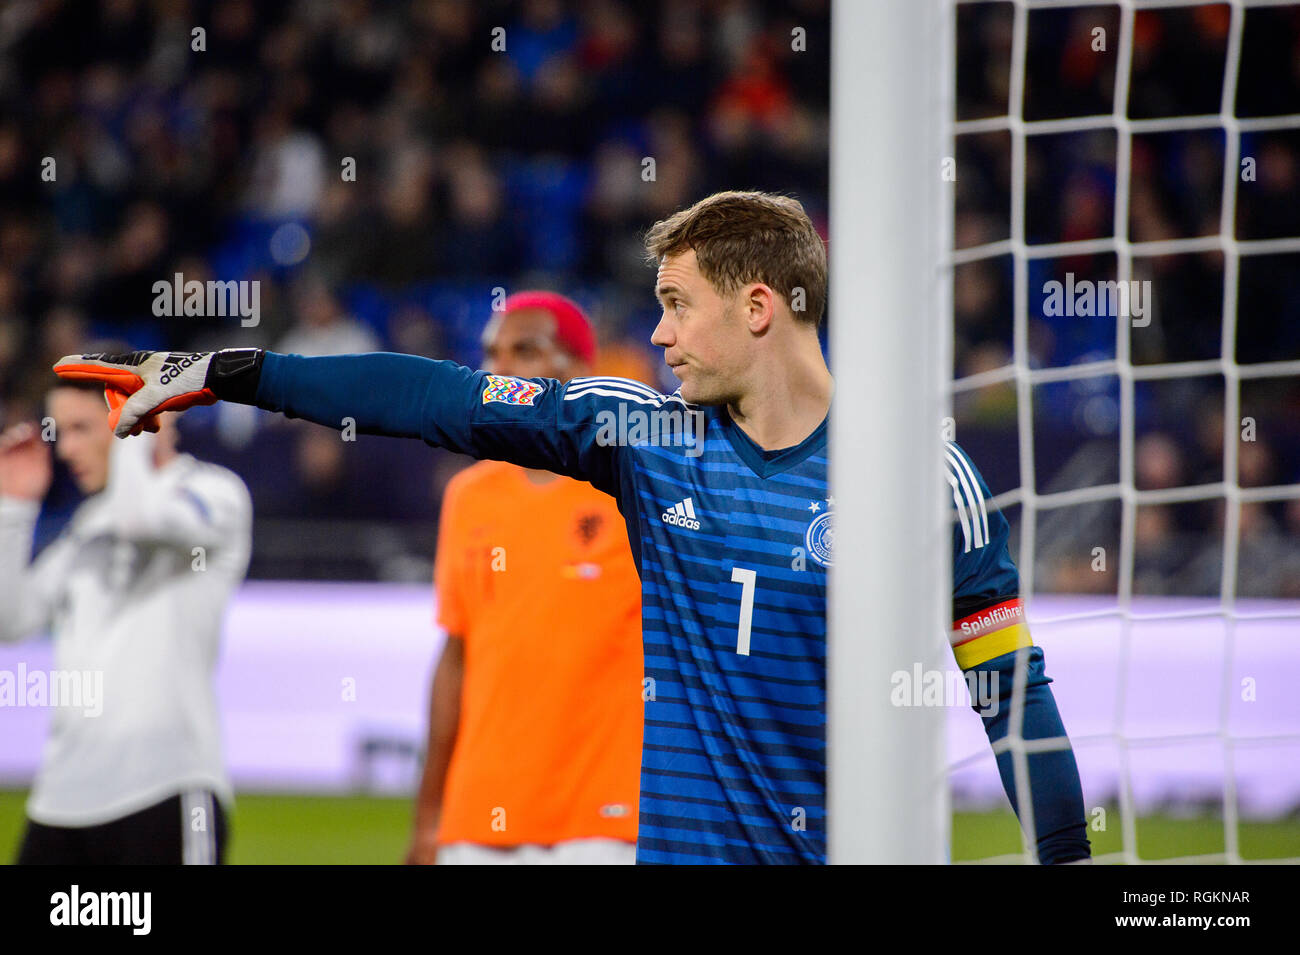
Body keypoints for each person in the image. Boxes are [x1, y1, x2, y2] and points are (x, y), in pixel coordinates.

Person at [54, 190, 1090, 864]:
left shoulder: (923, 481)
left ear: (760, 305)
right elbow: (437, 397)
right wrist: (230, 372)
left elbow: (1011, 698)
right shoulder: (641, 437)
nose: (657, 333)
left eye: (679, 305)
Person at [407, 291, 643, 865]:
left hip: (602, 820)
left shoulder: (635, 487)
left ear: (580, 371)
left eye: (525, 351)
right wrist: (430, 814)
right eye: (492, 353)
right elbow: (457, 653)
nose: (501, 369)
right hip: (478, 817)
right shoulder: (468, 496)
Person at [0, 377, 252, 864]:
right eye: (61, 430)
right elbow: (13, 620)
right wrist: (13, 508)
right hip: (62, 799)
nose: (66, 449)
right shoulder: (87, 524)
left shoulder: (213, 493)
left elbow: (142, 520)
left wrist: (142, 424)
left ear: (140, 420)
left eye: (83, 428)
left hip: (164, 788)